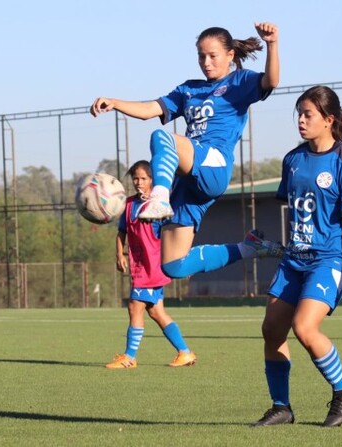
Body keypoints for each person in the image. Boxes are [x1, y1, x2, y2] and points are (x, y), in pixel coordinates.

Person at [91, 23, 283, 282]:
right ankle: (248, 248)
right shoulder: (189, 89)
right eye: (201, 56)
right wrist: (115, 103)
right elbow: (151, 109)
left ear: (230, 55)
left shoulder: (240, 81)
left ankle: (158, 196)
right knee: (173, 266)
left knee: (162, 137)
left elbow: (271, 81)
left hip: (213, 165)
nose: (206, 62)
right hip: (189, 179)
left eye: (212, 55)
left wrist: (272, 44)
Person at [251, 86, 342, 428]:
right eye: (299, 114)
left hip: (328, 260)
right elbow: (298, 211)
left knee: (304, 327)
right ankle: (281, 407)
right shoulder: (293, 160)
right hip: (293, 260)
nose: (301, 120)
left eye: (308, 114)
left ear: (329, 120)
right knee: (272, 330)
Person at [106, 160, 196, 369]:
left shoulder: (161, 206)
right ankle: (185, 352)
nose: (138, 182)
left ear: (153, 180)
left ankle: (129, 357)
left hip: (153, 266)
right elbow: (122, 232)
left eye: (143, 178)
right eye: (135, 178)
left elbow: (177, 233)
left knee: (134, 307)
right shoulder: (128, 204)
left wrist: (183, 258)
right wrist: (120, 253)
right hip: (140, 267)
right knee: (156, 312)